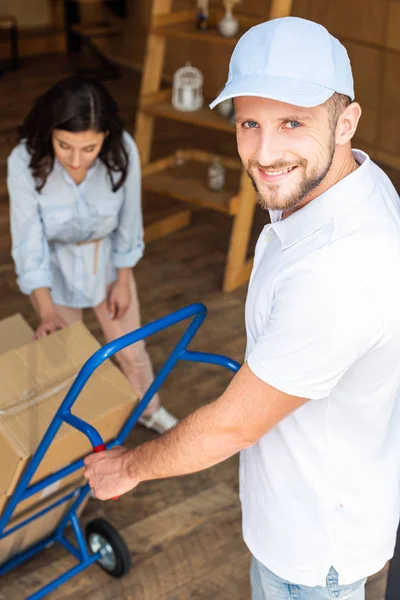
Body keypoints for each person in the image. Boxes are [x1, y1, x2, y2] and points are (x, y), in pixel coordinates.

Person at [83, 17, 400, 600]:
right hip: (312, 500)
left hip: (313, 553)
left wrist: (126, 468)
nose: (265, 151)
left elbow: (233, 424)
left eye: (292, 123)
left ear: (347, 122)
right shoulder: (355, 181)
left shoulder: (339, 275)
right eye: (249, 123)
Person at [8, 75, 177, 435]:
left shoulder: (124, 150)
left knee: (131, 350)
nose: (75, 159)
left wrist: (124, 279)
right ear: (50, 132)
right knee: (69, 363)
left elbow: (130, 222)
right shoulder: (23, 161)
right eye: (64, 145)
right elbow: (28, 241)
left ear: (105, 137)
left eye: (89, 148)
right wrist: (47, 308)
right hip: (55, 268)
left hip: (107, 262)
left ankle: (149, 409)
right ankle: (88, 433)